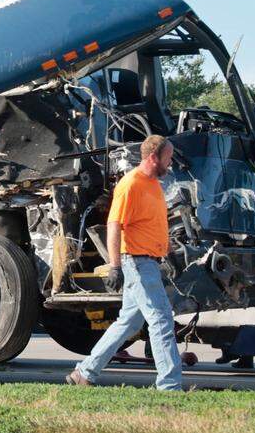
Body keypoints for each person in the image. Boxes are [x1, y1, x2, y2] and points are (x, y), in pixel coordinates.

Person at [66, 134, 183, 391]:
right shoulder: (130, 184)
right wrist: (116, 265)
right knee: (161, 319)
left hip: (150, 260)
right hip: (137, 263)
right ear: (153, 157)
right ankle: (170, 386)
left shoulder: (154, 185)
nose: (171, 162)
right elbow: (114, 225)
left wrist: (170, 252)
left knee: (129, 322)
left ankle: (84, 373)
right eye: (168, 157)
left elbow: (156, 225)